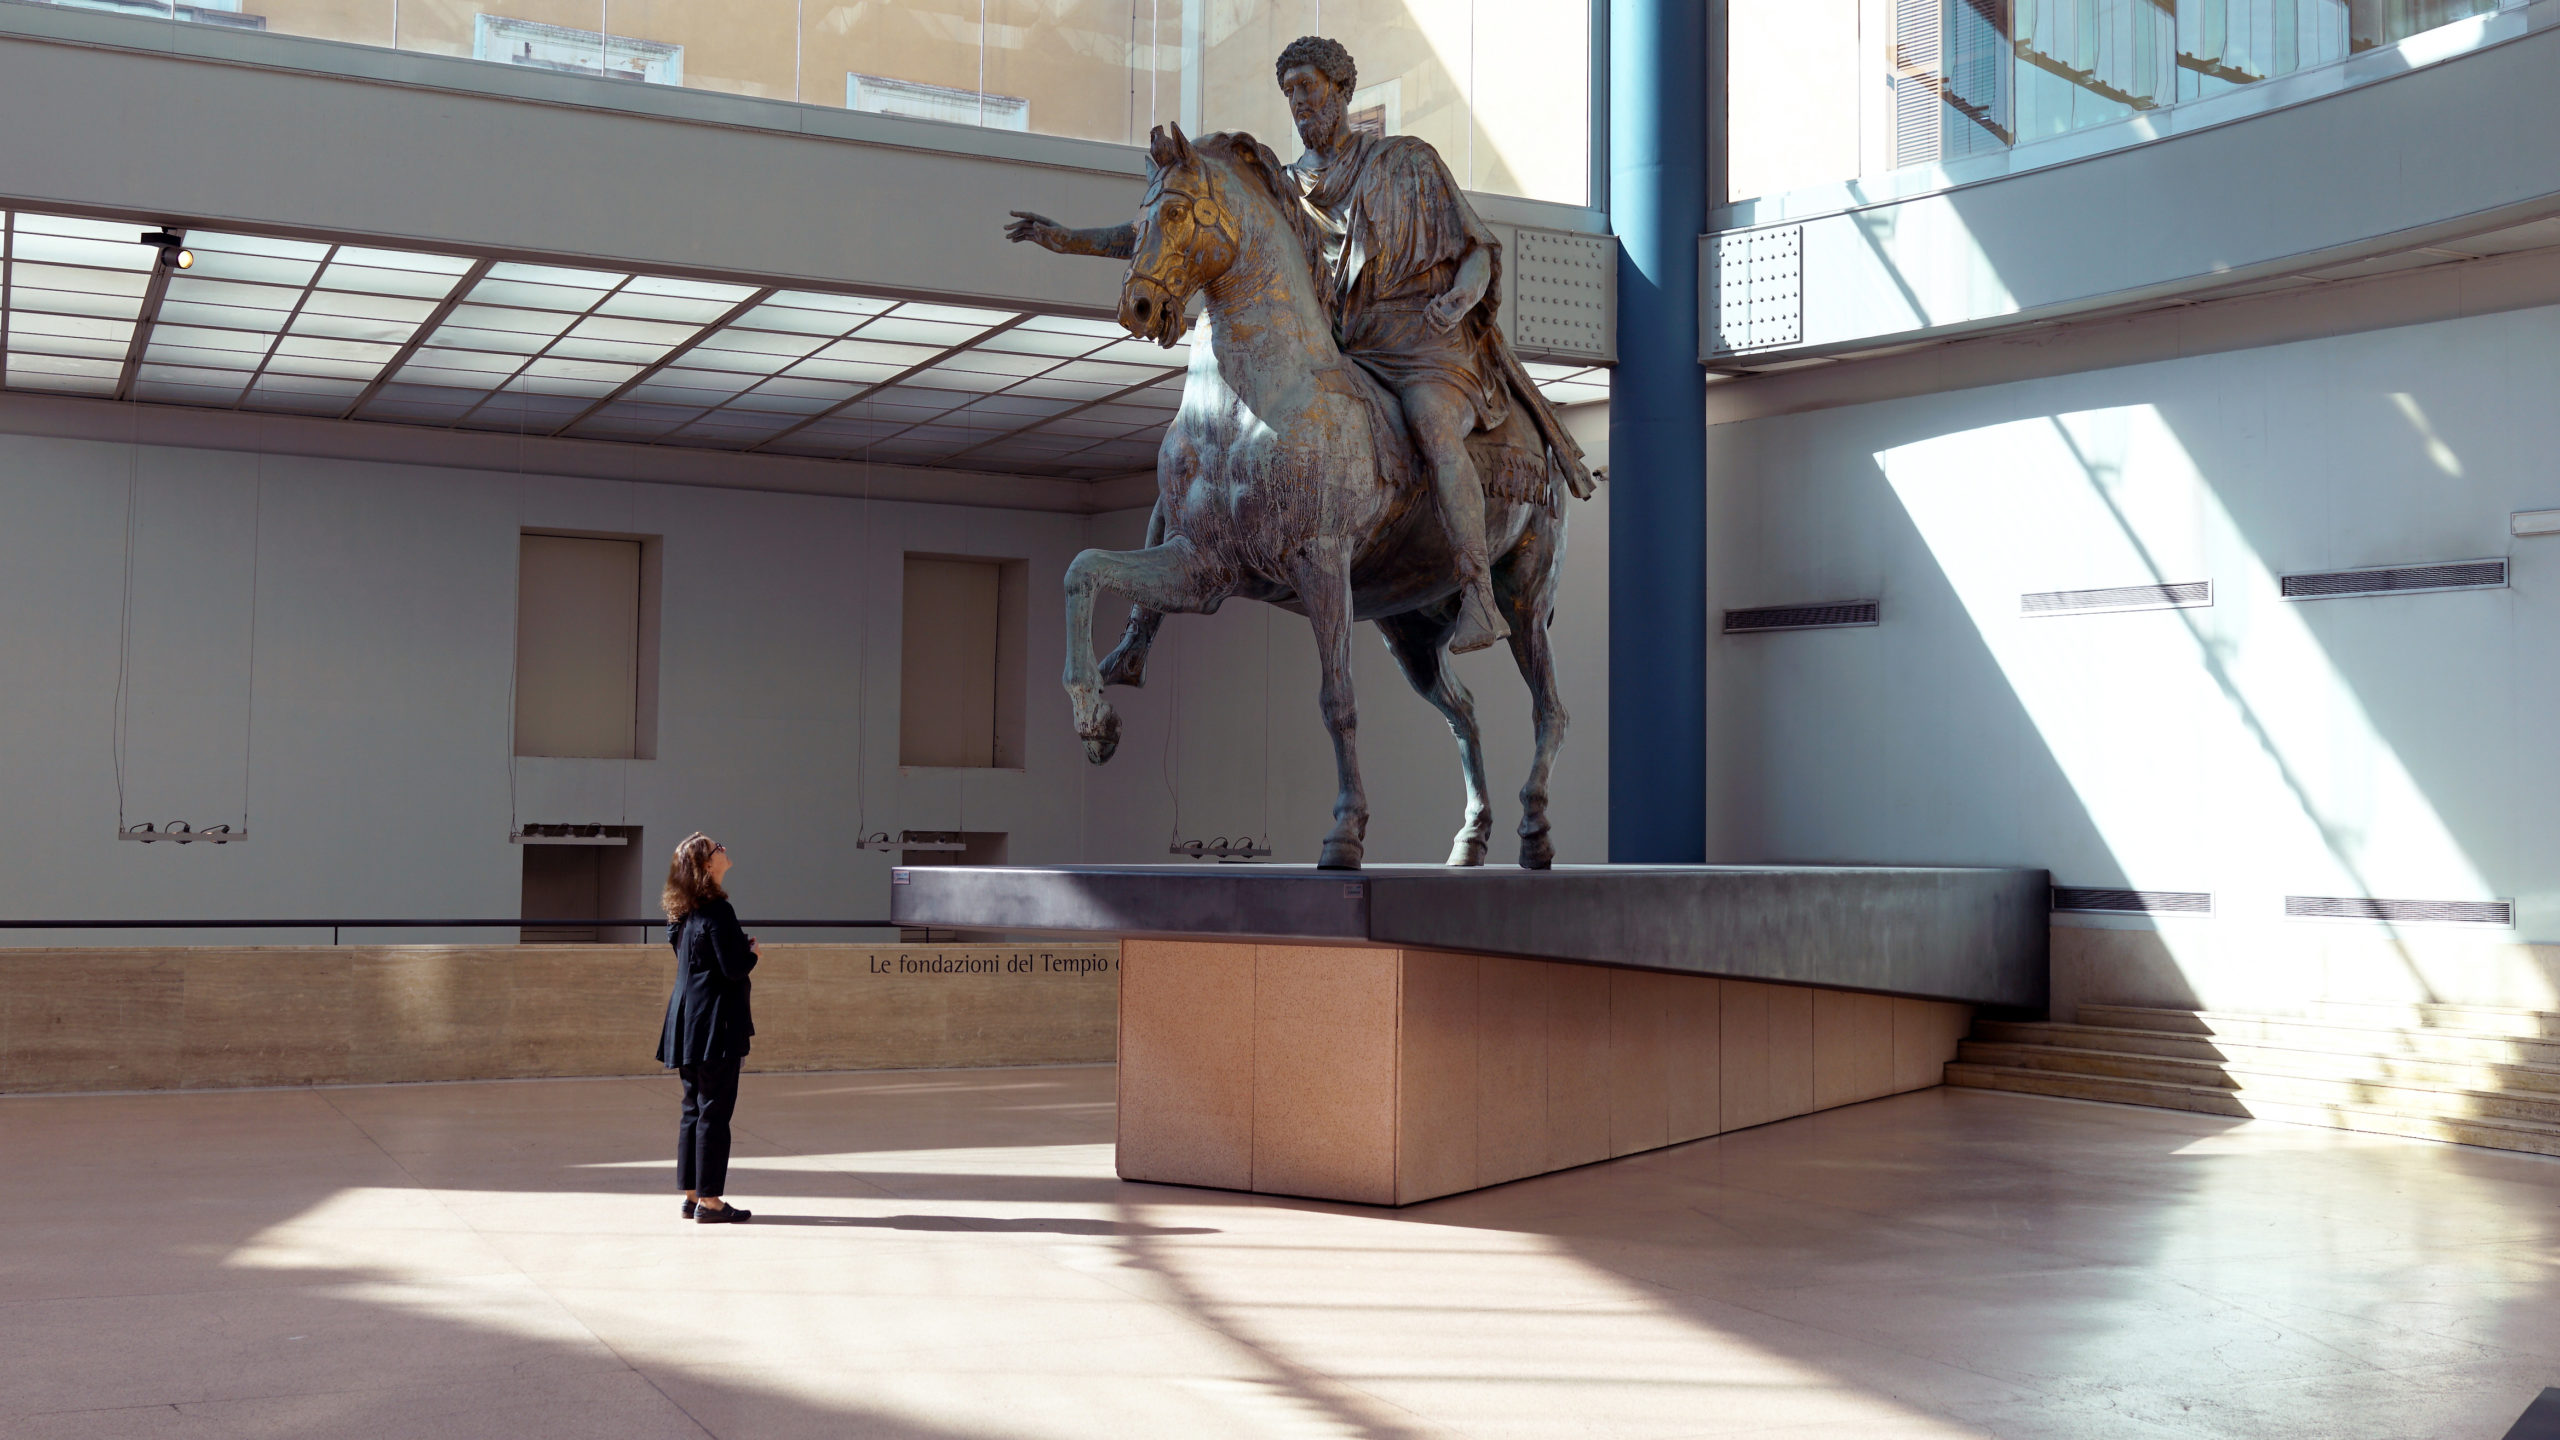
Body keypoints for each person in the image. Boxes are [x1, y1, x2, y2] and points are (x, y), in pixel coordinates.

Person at [1005, 34, 1593, 655]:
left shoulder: (1407, 162)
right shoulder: (1285, 191)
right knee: (1194, 466)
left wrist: (1462, 298)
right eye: (1288, 92)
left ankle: (1476, 591)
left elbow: (1476, 249)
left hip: (1423, 341)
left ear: (1342, 91)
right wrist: (1071, 241)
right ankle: (1138, 635)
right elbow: (1166, 228)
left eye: (1308, 87)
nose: (1298, 102)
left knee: (1432, 425)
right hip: (1346, 345)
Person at [657, 832, 758, 1224]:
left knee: (693, 1110)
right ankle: (711, 1202)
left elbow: (696, 959)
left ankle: (692, 1194)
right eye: (718, 848)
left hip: (685, 1021)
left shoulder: (684, 914)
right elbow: (732, 968)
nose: (724, 850)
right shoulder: (717, 911)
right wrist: (751, 953)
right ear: (705, 865)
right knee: (714, 1113)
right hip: (716, 1023)